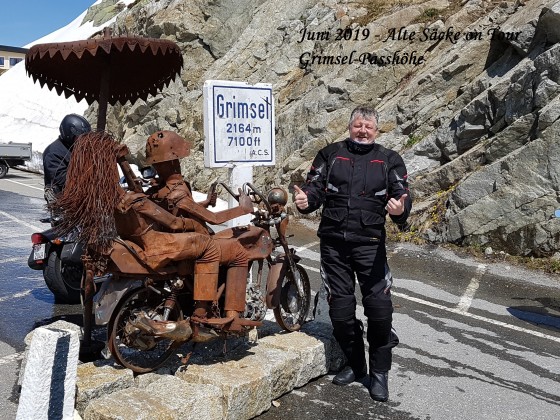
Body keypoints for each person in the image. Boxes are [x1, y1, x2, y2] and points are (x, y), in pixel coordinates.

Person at [293, 105, 411, 402]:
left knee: (381, 314)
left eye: (368, 126)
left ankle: (380, 373)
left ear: (376, 130)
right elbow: (315, 188)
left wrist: (400, 210)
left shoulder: (389, 160)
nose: (362, 130)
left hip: (370, 246)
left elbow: (402, 195)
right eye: (358, 125)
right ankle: (357, 365)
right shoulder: (330, 154)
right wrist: (306, 200)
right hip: (333, 245)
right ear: (349, 127)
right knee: (341, 313)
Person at [144, 130, 269, 328]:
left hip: (175, 241)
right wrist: (243, 208)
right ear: (173, 161)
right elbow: (215, 219)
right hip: (193, 244)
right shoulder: (178, 191)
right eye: (178, 160)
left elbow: (178, 211)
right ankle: (233, 317)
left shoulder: (158, 190)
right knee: (238, 252)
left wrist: (204, 202)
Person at [43, 113, 91, 205]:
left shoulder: (75, 148)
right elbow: (62, 180)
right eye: (80, 137)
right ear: (69, 134)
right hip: (62, 199)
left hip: (81, 196)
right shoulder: (53, 153)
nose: (83, 141)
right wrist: (88, 179)